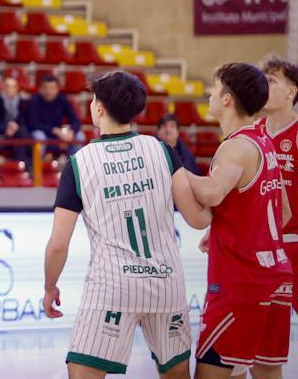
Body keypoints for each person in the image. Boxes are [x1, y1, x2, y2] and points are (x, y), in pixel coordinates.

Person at [42, 71, 209, 378]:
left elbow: (58, 245)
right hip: (166, 284)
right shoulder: (161, 150)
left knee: (82, 373)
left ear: (99, 108)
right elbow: (198, 219)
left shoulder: (80, 163)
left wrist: (50, 286)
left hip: (112, 287)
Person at [188, 63, 292, 378]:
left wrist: (177, 174)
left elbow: (213, 193)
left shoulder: (234, 147)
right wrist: (226, 226)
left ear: (228, 100)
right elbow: (283, 212)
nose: (209, 93)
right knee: (264, 373)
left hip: (241, 283)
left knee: (211, 374)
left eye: (214, 88)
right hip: (277, 277)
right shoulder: (265, 142)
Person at [257, 53, 298, 315]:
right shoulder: (252, 131)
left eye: (271, 81)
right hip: (260, 248)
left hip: (293, 242)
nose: (264, 86)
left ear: (291, 92)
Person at [25, 74, 84, 154]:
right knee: (39, 136)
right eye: (45, 88)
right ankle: (37, 165)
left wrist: (71, 132)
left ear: (57, 89)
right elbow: (33, 124)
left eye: (52, 88)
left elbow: (75, 120)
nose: (48, 92)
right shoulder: (34, 100)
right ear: (40, 89)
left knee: (79, 136)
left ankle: (72, 165)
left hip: (58, 135)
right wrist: (55, 130)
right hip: (43, 134)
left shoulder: (62, 100)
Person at [0, 76, 32, 165]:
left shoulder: (22, 102)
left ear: (17, 88)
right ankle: (22, 166)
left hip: (17, 134)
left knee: (23, 135)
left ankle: (21, 165)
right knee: (21, 137)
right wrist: (7, 128)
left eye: (12, 87)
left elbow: (25, 121)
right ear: (2, 87)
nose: (9, 89)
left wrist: (14, 128)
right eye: (7, 86)